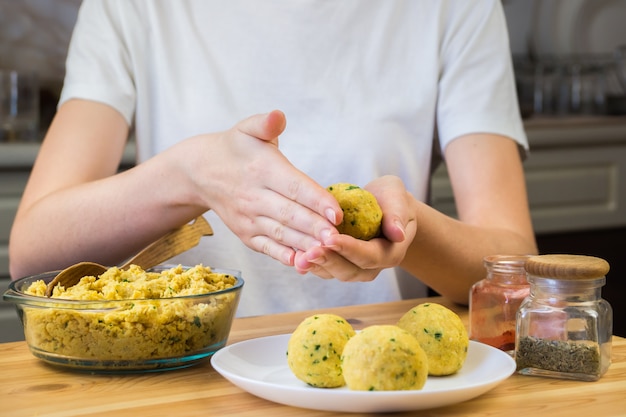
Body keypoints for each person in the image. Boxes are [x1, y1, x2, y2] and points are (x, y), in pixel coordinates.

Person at [9, 0, 537, 317]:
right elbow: (33, 249)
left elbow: (521, 268)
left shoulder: (455, 8)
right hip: (182, 383)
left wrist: (406, 230)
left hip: (376, 392)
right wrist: (189, 174)